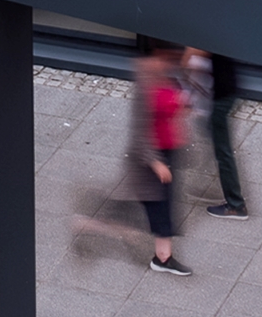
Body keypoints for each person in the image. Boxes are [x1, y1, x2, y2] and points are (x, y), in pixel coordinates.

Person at [75, 43, 191, 276]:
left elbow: (174, 106)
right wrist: (156, 163)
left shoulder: (168, 77)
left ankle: (162, 257)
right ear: (156, 55)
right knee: (152, 209)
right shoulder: (146, 86)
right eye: (168, 58)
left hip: (167, 152)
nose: (172, 62)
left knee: (154, 208)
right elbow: (139, 134)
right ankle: (89, 224)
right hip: (151, 160)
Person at [193, 47, 251, 218]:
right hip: (224, 91)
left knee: (223, 152)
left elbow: (194, 56)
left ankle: (236, 205)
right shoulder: (220, 36)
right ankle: (232, 199)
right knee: (218, 144)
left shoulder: (211, 39)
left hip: (221, 96)